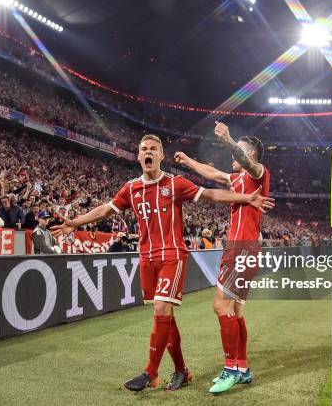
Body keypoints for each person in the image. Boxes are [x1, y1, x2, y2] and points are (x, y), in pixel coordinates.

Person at [51, 134, 274, 392]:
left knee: (211, 306)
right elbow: (105, 209)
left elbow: (213, 192)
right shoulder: (133, 187)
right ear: (138, 155)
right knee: (213, 312)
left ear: (160, 155)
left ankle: (200, 370)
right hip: (149, 257)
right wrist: (75, 222)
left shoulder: (255, 174)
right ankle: (220, 368)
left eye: (153, 149)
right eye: (143, 149)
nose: (148, 152)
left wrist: (229, 143)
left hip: (207, 252)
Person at [174, 121, 271, 393]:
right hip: (246, 248)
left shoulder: (257, 173)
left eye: (239, 151)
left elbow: (246, 162)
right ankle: (242, 368)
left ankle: (230, 369)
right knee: (236, 311)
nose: (232, 155)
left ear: (250, 154)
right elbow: (211, 172)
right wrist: (188, 160)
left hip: (241, 248)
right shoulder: (237, 179)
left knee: (221, 307)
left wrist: (229, 140)